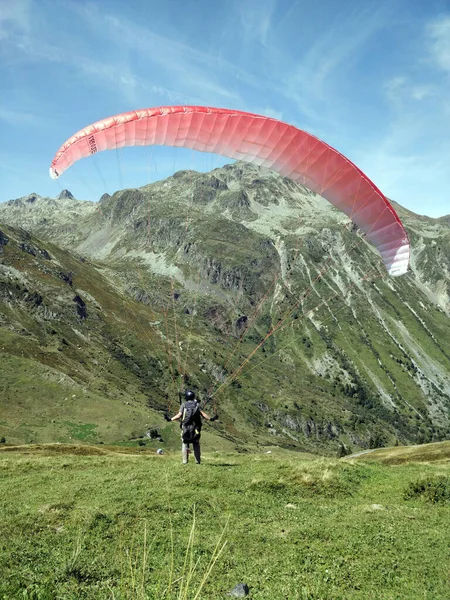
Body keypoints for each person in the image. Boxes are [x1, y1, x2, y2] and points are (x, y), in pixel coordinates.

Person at [164, 390, 217, 464]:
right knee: (196, 443)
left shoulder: (184, 405)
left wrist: (170, 419)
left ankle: (185, 461)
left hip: (185, 427)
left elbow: (179, 415)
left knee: (185, 443)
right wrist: (212, 419)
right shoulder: (197, 405)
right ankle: (197, 461)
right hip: (195, 428)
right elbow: (203, 415)